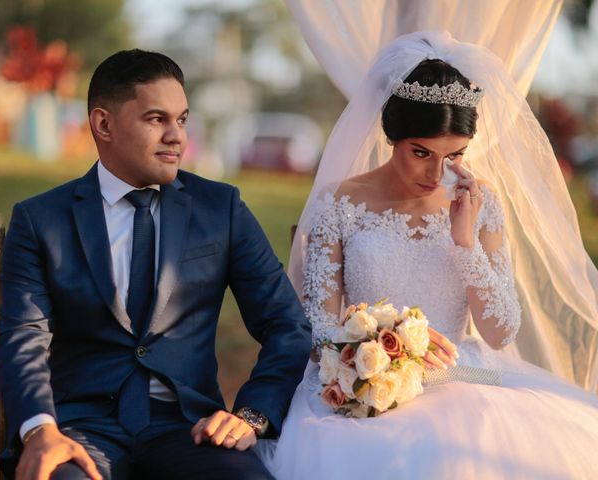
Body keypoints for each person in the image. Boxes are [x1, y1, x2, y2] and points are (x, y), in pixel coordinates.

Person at [256, 31, 598, 479]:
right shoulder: (339, 203)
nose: (437, 173)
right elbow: (319, 330)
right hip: (365, 378)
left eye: (453, 155)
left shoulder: (480, 202)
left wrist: (464, 243)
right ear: (391, 135)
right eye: (421, 153)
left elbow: (500, 332)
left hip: (469, 376)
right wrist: (381, 351)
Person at [0, 49, 311, 480]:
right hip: (80, 429)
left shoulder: (222, 209)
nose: (176, 136)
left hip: (188, 428)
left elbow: (286, 324)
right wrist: (39, 431)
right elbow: (22, 338)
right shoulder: (40, 220)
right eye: (156, 119)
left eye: (181, 119)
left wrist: (252, 414)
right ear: (103, 124)